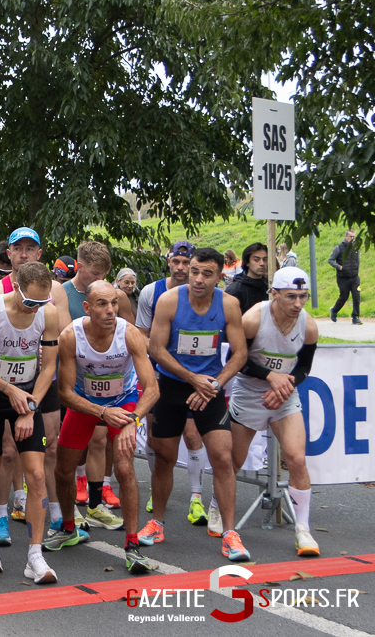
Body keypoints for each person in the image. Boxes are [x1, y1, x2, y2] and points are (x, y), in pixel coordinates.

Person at [143, 247, 250, 562]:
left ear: (220, 276)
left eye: (207, 273)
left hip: (209, 388)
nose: (198, 279)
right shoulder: (169, 300)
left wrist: (214, 383)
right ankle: (157, 522)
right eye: (194, 271)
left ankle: (230, 533)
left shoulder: (229, 304)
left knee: (222, 457)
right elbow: (156, 348)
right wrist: (193, 379)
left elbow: (240, 354)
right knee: (164, 457)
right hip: (174, 386)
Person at [50, 282, 159, 574]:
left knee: (124, 469)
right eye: (102, 304)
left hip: (124, 403)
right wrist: (101, 411)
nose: (111, 310)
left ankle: (133, 545)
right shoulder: (71, 335)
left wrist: (133, 420)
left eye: (114, 303)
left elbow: (151, 390)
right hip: (86, 403)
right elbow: (65, 393)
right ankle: (69, 528)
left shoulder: (129, 333)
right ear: (87, 308)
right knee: (63, 469)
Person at [0, 262, 59, 583]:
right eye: (30, 302)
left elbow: (48, 367)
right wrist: (7, 389)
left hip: (29, 397)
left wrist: (29, 407)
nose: (35, 308)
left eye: (42, 302)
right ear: (15, 287)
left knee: (36, 475)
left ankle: (35, 554)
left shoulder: (48, 314)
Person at [227, 267, 319, 556]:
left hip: (284, 393)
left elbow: (304, 367)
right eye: (291, 296)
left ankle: (303, 531)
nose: (298, 304)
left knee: (296, 457)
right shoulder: (254, 319)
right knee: (234, 460)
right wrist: (271, 377)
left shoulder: (309, 325)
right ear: (274, 293)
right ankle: (219, 509)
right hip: (250, 391)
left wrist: (287, 384)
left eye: (303, 297)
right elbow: (235, 361)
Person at [134, 239, 209, 524]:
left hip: (191, 375)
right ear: (168, 262)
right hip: (158, 374)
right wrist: (149, 367)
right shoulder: (151, 293)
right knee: (156, 438)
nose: (180, 267)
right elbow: (141, 333)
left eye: (186, 263)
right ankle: (158, 489)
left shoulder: (205, 293)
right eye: (176, 262)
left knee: (192, 435)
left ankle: (196, 497)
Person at [61, 241, 124, 525]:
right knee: (69, 448)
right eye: (93, 274)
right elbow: (63, 335)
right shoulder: (62, 293)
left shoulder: (108, 294)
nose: (99, 280)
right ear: (80, 266)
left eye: (103, 274)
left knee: (99, 441)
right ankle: (69, 503)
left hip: (104, 378)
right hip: (72, 381)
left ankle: (96, 505)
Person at [226, 242, 269, 314]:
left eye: (265, 260)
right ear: (247, 262)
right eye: (256, 260)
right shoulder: (235, 290)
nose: (262, 263)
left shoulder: (269, 286)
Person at [329, 229, 362, 325]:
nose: (352, 239)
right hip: (343, 277)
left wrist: (356, 270)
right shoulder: (339, 247)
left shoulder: (356, 247)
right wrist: (339, 267)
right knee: (344, 296)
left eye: (354, 237)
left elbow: (357, 260)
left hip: (354, 277)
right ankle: (334, 310)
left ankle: (355, 317)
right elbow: (330, 260)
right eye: (350, 237)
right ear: (346, 236)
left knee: (356, 296)